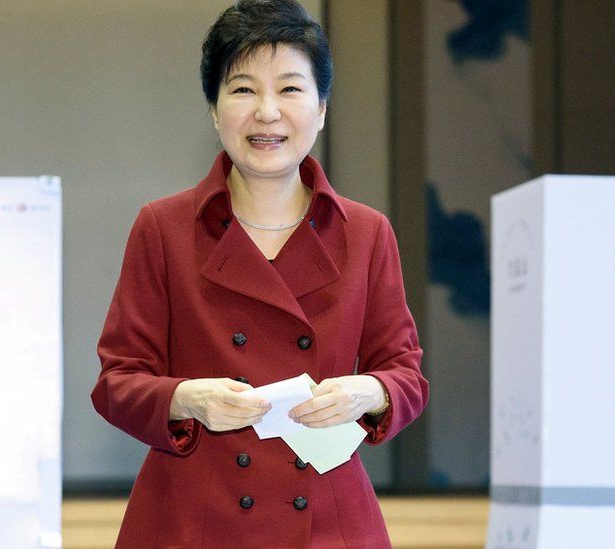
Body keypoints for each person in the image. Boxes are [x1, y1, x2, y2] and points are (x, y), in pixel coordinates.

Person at [92, 1, 428, 546]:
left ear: (321, 108)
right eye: (243, 89)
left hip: (325, 518)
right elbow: (117, 383)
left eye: (290, 89)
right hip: (194, 519)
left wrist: (368, 391)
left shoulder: (366, 232)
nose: (267, 112)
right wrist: (188, 399)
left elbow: (406, 376)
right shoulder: (164, 227)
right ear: (214, 108)